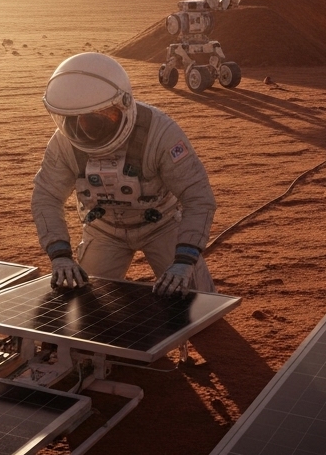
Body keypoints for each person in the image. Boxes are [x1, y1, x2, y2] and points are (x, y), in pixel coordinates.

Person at [32, 53, 215, 296]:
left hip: (161, 225)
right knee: (86, 300)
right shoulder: (64, 142)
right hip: (104, 229)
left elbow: (197, 196)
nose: (84, 130)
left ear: (124, 103)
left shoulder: (160, 134)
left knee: (197, 301)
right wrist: (60, 255)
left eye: (97, 118)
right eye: (73, 121)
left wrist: (184, 260)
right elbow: (47, 195)